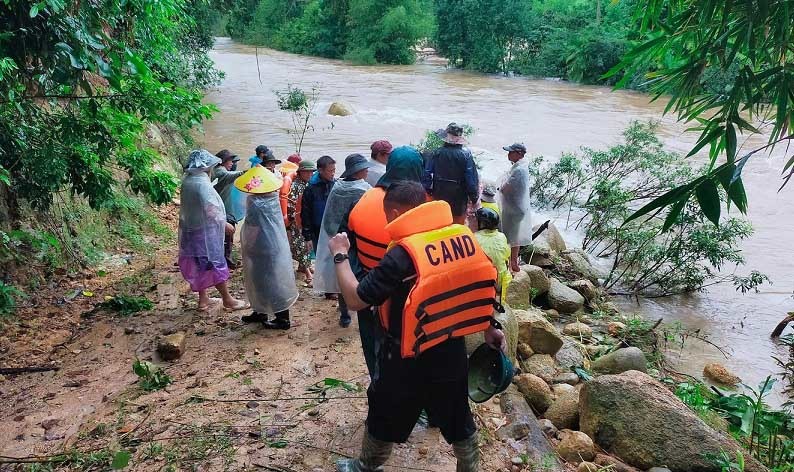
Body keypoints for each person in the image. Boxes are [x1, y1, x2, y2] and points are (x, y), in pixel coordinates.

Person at [329, 181, 506, 472]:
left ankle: (365, 466)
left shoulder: (401, 255)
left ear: (397, 212)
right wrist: (489, 327)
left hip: (405, 354)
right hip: (450, 346)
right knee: (457, 411)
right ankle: (469, 467)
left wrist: (340, 255)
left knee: (384, 407)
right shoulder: (463, 237)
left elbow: (356, 299)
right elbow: (478, 285)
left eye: (388, 217)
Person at [343, 145, 425, 378]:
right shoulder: (427, 206)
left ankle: (377, 383)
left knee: (372, 345)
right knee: (409, 349)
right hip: (409, 297)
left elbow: (347, 246)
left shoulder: (362, 201)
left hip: (368, 289)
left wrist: (362, 283)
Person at [178, 149, 248, 312]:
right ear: (205, 166)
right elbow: (210, 208)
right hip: (203, 230)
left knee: (198, 262)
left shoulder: (188, 180)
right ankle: (228, 300)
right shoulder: (201, 184)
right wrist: (225, 225)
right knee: (213, 261)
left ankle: (203, 299)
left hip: (190, 228)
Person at [236, 164, 299, 329]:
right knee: (271, 279)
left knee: (265, 281)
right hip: (275, 245)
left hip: (261, 247)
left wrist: (248, 246)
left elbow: (253, 229)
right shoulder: (272, 198)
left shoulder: (256, 203)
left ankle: (282, 319)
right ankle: (261, 311)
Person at [313, 154, 373, 327]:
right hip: (358, 240)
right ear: (358, 171)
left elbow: (330, 217)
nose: (367, 170)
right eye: (365, 168)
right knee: (359, 274)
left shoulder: (337, 186)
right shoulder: (364, 190)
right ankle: (361, 307)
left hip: (338, 238)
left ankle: (345, 312)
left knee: (341, 272)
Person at [422, 123, 480, 224]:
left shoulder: (436, 153)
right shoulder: (466, 155)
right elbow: (471, 180)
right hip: (459, 198)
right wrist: (474, 198)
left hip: (439, 194)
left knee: (440, 223)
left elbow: (427, 174)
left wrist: (429, 190)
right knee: (456, 225)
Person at [499, 143, 533, 272]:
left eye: (510, 152)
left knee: (509, 237)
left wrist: (501, 187)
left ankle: (511, 263)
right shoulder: (521, 167)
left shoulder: (519, 170)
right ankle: (513, 262)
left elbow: (506, 189)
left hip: (513, 209)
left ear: (519, 154)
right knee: (515, 236)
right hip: (517, 208)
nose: (508, 154)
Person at [213, 149, 245, 268]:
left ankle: (223, 258)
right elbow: (235, 175)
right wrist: (250, 171)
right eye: (230, 160)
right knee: (227, 234)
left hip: (221, 206)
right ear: (223, 161)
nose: (232, 163)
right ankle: (227, 260)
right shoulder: (221, 172)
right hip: (223, 208)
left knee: (222, 235)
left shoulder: (216, 170)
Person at [474, 207, 511, 304]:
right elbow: (507, 255)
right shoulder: (502, 236)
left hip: (487, 281)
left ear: (482, 223)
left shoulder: (474, 237)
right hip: (502, 282)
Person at [287, 160, 316, 284]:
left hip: (305, 219)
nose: (310, 174)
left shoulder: (306, 184)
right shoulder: (295, 186)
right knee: (301, 246)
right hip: (297, 221)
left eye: (311, 172)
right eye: (307, 172)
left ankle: (304, 267)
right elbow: (291, 204)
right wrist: (295, 220)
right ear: (301, 172)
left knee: (306, 245)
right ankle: (308, 273)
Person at [301, 155, 336, 254]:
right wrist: (307, 237)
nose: (333, 174)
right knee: (320, 254)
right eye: (330, 171)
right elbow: (305, 213)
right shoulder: (310, 189)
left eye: (334, 170)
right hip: (317, 229)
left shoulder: (335, 184)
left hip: (332, 228)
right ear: (320, 170)